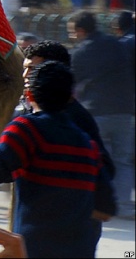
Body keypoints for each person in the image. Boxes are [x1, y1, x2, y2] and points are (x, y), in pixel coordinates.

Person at [0, 60, 104, 258]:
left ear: (29, 94)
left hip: (36, 250)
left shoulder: (27, 130)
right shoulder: (86, 143)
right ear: (71, 97)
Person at [21, 40, 117, 249]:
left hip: (69, 234)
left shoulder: (75, 118)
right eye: (25, 69)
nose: (26, 76)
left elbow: (105, 169)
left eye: (32, 69)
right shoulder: (37, 116)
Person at [68, 10, 135, 220]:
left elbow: (72, 82)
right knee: (123, 159)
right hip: (124, 110)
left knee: (95, 158)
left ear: (80, 30)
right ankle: (123, 205)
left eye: (72, 32)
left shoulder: (80, 53)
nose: (72, 36)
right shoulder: (116, 44)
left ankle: (96, 202)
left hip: (96, 112)